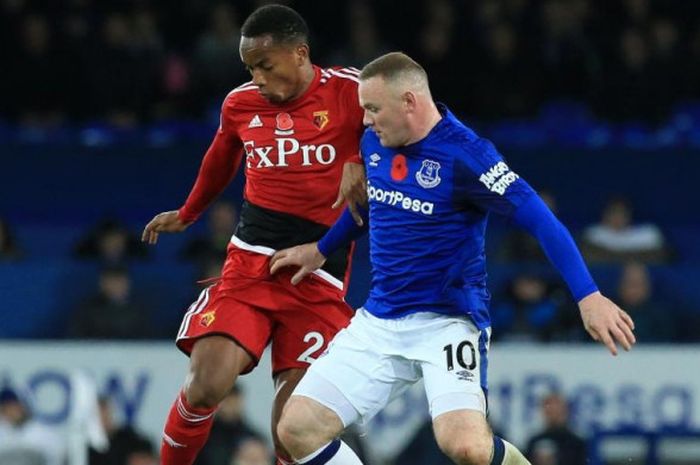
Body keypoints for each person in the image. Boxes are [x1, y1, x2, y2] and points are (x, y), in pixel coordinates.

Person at [269, 52, 636, 465]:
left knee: (466, 448)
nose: (366, 120)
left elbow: (540, 220)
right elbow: (374, 206)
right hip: (379, 320)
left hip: (449, 322)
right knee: (295, 429)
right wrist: (320, 250)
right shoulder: (375, 140)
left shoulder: (468, 155)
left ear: (409, 101)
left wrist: (589, 296)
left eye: (373, 109)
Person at [140, 5, 367, 465]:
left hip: (319, 279)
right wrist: (189, 212)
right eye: (250, 68)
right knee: (207, 384)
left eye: (266, 65)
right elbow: (221, 156)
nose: (257, 78)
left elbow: (413, 123)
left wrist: (363, 160)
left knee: (292, 432)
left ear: (300, 54)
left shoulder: (355, 91)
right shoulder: (241, 104)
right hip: (251, 266)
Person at [525, 393, 586, 465]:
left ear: (565, 411)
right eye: (550, 409)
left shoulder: (576, 444)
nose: (554, 413)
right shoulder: (534, 442)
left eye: (557, 409)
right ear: (544, 411)